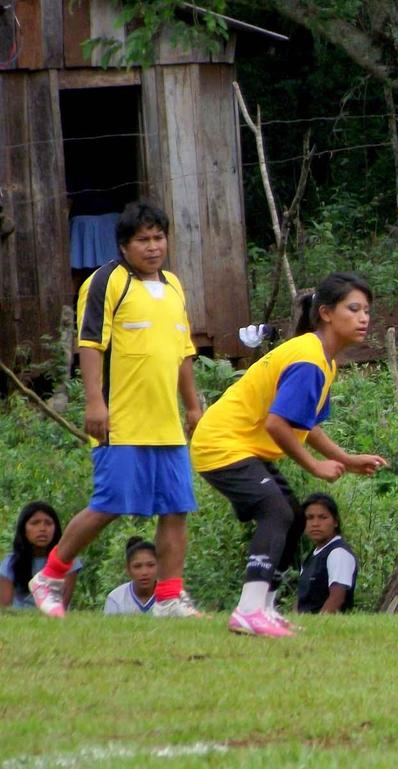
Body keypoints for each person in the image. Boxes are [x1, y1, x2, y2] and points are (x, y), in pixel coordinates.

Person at [28, 201, 203, 619]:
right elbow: (90, 344)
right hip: (121, 420)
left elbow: (183, 352)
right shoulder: (106, 281)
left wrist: (193, 407)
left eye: (158, 238)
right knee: (110, 503)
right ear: (124, 245)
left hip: (166, 423)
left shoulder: (175, 287)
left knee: (176, 507)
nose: (153, 247)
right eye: (143, 240)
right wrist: (94, 402)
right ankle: (49, 577)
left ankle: (169, 597)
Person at [191, 272, 387, 638]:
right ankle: (249, 609)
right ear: (327, 313)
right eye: (354, 309)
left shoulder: (324, 360)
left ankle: (265, 608)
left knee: (294, 518)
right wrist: (314, 466)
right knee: (276, 511)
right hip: (222, 443)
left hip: (242, 446)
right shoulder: (310, 361)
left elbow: (305, 423)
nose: (364, 318)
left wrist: (345, 458)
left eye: (367, 311)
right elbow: (277, 424)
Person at [1, 502, 82, 610]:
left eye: (48, 523)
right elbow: (5, 608)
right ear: (23, 529)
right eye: (35, 523)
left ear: (55, 529)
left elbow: (62, 605)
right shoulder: (10, 563)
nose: (42, 529)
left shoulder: (68, 560)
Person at [296, 493, 358, 614]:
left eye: (322, 517)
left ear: (335, 522)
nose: (315, 524)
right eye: (310, 518)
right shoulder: (312, 555)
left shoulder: (338, 553)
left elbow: (337, 598)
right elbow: (301, 599)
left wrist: (317, 627)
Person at [104, 537, 158, 615]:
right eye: (137, 566)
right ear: (128, 569)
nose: (144, 572)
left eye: (150, 565)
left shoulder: (172, 597)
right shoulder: (116, 599)